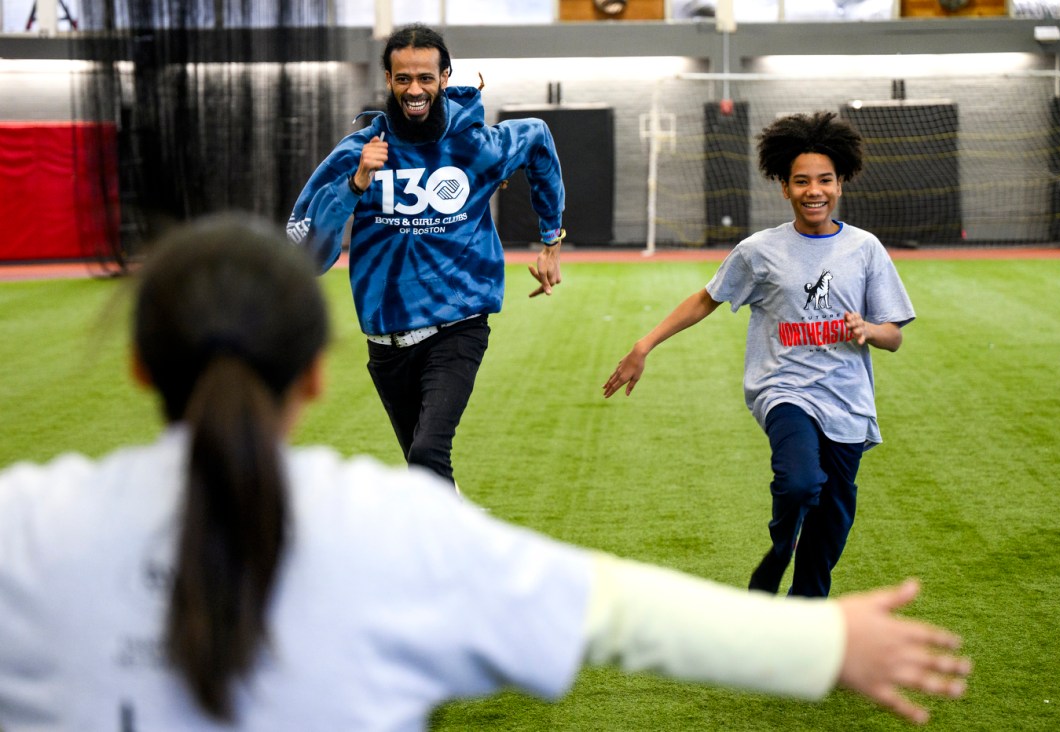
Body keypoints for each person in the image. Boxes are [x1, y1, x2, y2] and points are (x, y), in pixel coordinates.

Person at [0, 213, 967, 729]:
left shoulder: (28, 526)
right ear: (317, 373)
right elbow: (614, 613)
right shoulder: (392, 526)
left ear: (138, 366)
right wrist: (823, 646)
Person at [604, 111, 916, 599]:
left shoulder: (865, 249)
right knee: (798, 484)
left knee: (833, 518)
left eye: (825, 180)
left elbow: (894, 334)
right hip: (784, 389)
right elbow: (706, 298)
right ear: (784, 188)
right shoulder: (760, 250)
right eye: (801, 181)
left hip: (848, 401)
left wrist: (870, 330)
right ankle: (779, 551)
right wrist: (645, 344)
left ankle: (803, 609)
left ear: (841, 182)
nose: (814, 191)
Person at [286, 23, 566, 489]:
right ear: (389, 81)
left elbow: (537, 138)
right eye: (402, 79)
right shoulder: (357, 154)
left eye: (425, 77)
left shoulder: (474, 145)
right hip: (386, 341)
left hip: (457, 326)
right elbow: (307, 257)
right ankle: (454, 544)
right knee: (426, 478)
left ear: (444, 76)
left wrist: (551, 238)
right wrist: (354, 185)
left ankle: (462, 558)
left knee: (426, 452)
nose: (414, 89)